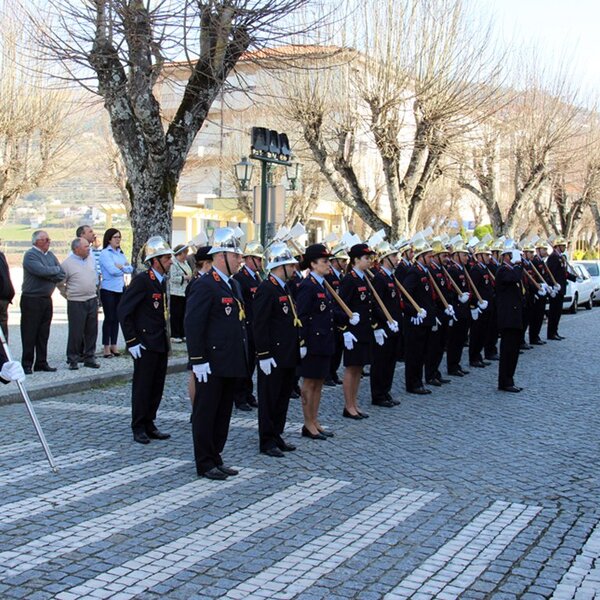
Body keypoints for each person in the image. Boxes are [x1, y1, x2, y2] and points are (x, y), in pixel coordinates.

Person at [185, 227, 249, 481]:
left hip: (229, 360)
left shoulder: (231, 285)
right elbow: (193, 324)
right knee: (206, 412)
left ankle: (216, 455)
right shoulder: (205, 285)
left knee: (223, 413)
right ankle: (204, 461)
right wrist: (198, 360)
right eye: (236, 256)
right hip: (210, 362)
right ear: (221, 256)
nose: (239, 261)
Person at [118, 236, 173, 444]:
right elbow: (124, 311)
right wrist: (131, 340)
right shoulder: (142, 280)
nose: (170, 261)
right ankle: (139, 425)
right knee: (143, 386)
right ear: (154, 260)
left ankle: (150, 422)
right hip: (144, 343)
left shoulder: (161, 281)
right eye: (166, 258)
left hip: (159, 342)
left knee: (156, 385)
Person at [253, 243, 304, 457]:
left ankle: (277, 433)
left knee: (283, 397)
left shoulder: (284, 287)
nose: (294, 270)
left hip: (287, 353)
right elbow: (260, 324)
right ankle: (267, 440)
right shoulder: (267, 288)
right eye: (290, 266)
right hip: (272, 355)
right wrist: (263, 354)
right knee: (269, 398)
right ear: (279, 266)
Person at [339, 242, 383, 418]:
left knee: (359, 368)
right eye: (366, 258)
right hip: (353, 331)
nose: (370, 261)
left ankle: (354, 403)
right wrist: (345, 329)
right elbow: (342, 305)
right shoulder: (349, 279)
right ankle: (348, 406)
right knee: (351, 368)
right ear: (356, 260)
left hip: (364, 329)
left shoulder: (364, 277)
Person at [20, 230, 65, 374]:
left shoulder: (50, 255)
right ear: (36, 241)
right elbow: (40, 271)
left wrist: (51, 272)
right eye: (45, 239)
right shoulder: (30, 255)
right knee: (29, 332)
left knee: (43, 333)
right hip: (32, 299)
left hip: (46, 299)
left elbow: (62, 273)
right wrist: (53, 272)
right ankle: (27, 363)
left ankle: (41, 362)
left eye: (48, 239)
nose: (48, 241)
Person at [57, 238, 100, 370]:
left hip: (92, 299)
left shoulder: (91, 259)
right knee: (76, 332)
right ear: (76, 249)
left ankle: (89, 357)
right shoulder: (67, 264)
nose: (89, 248)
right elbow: (60, 283)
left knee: (92, 331)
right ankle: (73, 359)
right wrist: (68, 295)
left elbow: (96, 276)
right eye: (86, 246)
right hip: (76, 301)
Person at [233, 241, 264, 411]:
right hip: (246, 325)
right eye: (258, 259)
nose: (260, 263)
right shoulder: (240, 278)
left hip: (255, 326)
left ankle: (248, 393)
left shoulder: (257, 278)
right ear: (249, 259)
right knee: (244, 363)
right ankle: (239, 397)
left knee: (251, 362)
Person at [402, 238, 436, 395]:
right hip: (416, 320)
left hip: (425, 318)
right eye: (429, 256)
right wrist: (413, 312)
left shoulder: (424, 271)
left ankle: (418, 381)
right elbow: (405, 295)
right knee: (414, 354)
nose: (431, 259)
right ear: (421, 257)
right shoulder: (414, 272)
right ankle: (413, 383)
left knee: (423, 352)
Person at [370, 242, 402, 406]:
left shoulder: (390, 276)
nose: (397, 259)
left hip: (393, 324)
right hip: (384, 326)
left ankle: (386, 391)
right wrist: (380, 324)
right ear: (385, 258)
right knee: (381, 362)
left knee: (390, 360)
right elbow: (375, 304)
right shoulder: (379, 278)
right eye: (394, 256)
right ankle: (378, 395)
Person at [99, 228, 133, 358]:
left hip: (120, 288)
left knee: (117, 318)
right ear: (109, 239)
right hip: (108, 289)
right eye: (115, 237)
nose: (118, 239)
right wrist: (122, 268)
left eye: (119, 237)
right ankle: (106, 346)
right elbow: (112, 271)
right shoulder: (105, 253)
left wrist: (121, 267)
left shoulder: (120, 253)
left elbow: (130, 268)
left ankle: (114, 344)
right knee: (109, 318)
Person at [496, 242, 525, 392]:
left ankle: (509, 379)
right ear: (506, 257)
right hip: (508, 318)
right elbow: (514, 278)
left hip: (514, 317)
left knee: (513, 352)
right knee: (507, 352)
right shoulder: (502, 271)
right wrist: (518, 265)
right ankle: (505, 381)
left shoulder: (511, 270)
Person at [324, 244, 348, 386]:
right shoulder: (329, 275)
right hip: (332, 313)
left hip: (340, 314)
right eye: (342, 261)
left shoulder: (341, 275)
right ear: (335, 261)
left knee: (338, 347)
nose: (345, 263)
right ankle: (327, 374)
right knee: (332, 346)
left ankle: (333, 372)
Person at [546, 236, 577, 340]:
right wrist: (553, 285)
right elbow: (551, 273)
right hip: (556, 289)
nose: (565, 247)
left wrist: (573, 277)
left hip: (561, 288)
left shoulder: (561, 257)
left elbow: (563, 273)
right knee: (554, 312)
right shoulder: (553, 257)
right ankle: (551, 333)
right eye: (563, 245)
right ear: (558, 246)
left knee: (558, 312)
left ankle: (555, 331)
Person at [169, 244, 193, 342]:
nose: (186, 256)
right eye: (185, 253)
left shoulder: (185, 263)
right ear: (180, 253)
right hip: (176, 292)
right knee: (176, 314)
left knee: (183, 314)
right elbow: (172, 278)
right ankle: (175, 335)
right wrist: (184, 278)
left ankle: (182, 333)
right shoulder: (173, 263)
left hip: (184, 292)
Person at [0, 248, 15, 340]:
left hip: (4, 298)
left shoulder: (1, 256)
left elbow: (6, 276)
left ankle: (4, 353)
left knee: (3, 335)